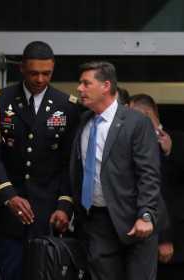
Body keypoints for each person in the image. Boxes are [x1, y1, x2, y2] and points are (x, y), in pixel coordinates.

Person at [0, 41, 80, 280]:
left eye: (47, 73)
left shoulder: (67, 106)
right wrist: (8, 195)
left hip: (50, 214)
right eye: (34, 73)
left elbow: (71, 163)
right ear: (22, 68)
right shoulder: (0, 102)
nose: (40, 79)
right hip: (10, 214)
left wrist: (65, 205)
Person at [71, 61, 161, 280]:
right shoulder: (83, 121)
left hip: (133, 221)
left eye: (86, 83)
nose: (79, 89)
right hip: (96, 223)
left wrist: (146, 214)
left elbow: (148, 173)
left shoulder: (135, 122)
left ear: (106, 86)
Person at [129, 93, 184, 280]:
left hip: (176, 236)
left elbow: (165, 190)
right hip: (140, 237)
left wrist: (171, 151)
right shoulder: (129, 142)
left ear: (145, 114)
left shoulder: (177, 139)